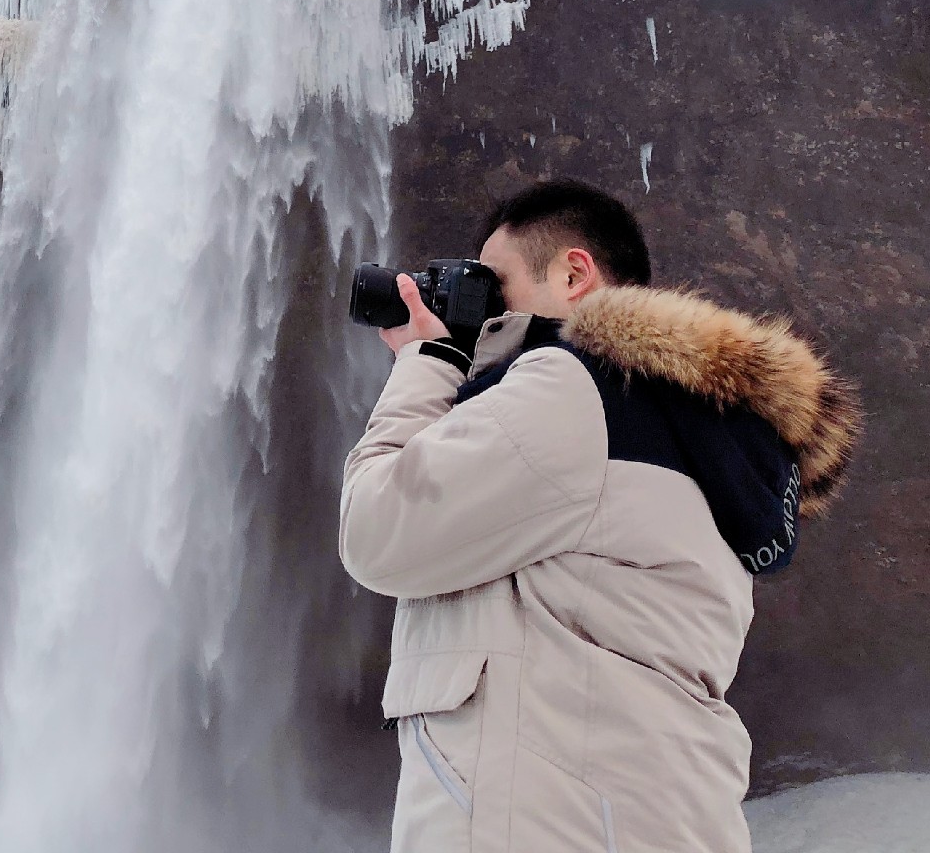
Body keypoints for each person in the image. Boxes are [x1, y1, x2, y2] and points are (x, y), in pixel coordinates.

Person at [339, 179, 861, 853]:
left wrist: (430, 359)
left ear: (574, 272)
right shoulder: (699, 432)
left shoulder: (570, 385)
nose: (485, 314)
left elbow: (378, 530)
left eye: (495, 287)